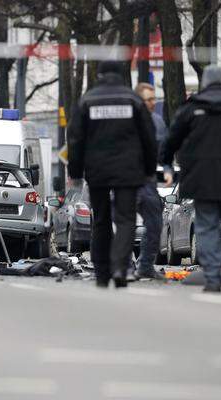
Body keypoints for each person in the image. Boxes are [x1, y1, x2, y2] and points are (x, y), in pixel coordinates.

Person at [68, 61, 157, 288]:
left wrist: (76, 172)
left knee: (100, 220)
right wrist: (148, 169)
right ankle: (120, 267)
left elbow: (75, 139)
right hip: (128, 170)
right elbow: (149, 138)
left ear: (100, 75)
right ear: (122, 75)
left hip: (97, 170)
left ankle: (101, 273)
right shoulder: (133, 100)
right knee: (126, 219)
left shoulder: (87, 100)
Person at [163, 65, 221, 293]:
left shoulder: (192, 107)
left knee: (207, 227)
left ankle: (213, 278)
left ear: (205, 83)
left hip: (201, 179)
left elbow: (172, 139)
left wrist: (165, 162)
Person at [131, 83, 167, 281]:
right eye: (149, 99)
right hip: (126, 180)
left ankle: (145, 265)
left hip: (148, 180)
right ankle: (124, 266)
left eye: (155, 98)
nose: (154, 103)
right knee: (124, 226)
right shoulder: (126, 121)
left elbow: (164, 151)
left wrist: (168, 168)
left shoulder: (158, 122)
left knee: (155, 223)